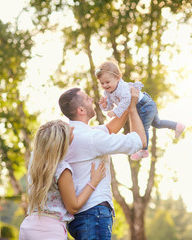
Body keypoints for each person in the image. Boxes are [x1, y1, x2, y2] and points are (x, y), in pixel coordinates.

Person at [58, 87, 146, 240]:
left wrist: (125, 103)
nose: (92, 99)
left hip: (80, 217)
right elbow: (140, 141)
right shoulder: (91, 138)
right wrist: (132, 109)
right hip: (94, 213)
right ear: (81, 110)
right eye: (87, 98)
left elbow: (109, 129)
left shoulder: (71, 135)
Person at [19, 119, 106, 240]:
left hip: (28, 226)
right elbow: (73, 207)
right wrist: (93, 182)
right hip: (49, 232)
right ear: (62, 142)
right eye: (69, 132)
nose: (73, 129)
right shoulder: (62, 169)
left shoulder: (36, 165)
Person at [95, 60, 186, 160]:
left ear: (117, 77)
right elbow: (110, 106)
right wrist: (105, 105)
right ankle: (177, 125)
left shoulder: (122, 87)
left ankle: (143, 150)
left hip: (144, 105)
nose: (105, 85)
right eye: (102, 83)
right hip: (147, 104)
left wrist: (116, 112)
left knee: (142, 127)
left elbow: (126, 101)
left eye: (107, 82)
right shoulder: (108, 92)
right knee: (157, 123)